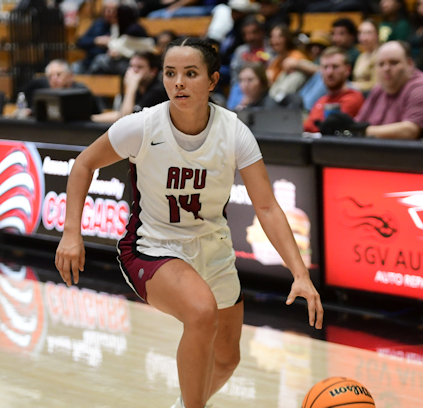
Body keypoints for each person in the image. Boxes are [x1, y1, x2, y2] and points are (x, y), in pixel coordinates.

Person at [55, 38, 323, 408]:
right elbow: (84, 163)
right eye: (170, 73)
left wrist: (300, 273)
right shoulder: (142, 126)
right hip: (152, 248)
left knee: (228, 360)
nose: (178, 82)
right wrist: (72, 232)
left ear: (212, 81)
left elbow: (268, 207)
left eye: (190, 73)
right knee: (200, 312)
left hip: (213, 248)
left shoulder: (233, 131)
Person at [352, 41, 423, 139]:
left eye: (394, 63)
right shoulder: (379, 89)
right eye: (381, 64)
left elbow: (409, 132)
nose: (386, 69)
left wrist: (360, 130)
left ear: (409, 64)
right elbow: (359, 122)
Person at [92, 52, 169, 123]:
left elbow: (126, 119)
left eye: (139, 67)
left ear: (153, 71)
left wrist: (131, 87)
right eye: (131, 66)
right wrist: (93, 118)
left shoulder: (158, 91)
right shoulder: (140, 89)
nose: (133, 71)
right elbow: (122, 113)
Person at [304, 47, 364, 133]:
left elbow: (329, 128)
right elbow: (307, 126)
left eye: (335, 67)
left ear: (347, 70)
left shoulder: (353, 98)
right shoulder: (321, 100)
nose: (329, 72)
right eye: (325, 67)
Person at [88, 5, 155, 76]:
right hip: (123, 60)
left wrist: (114, 48)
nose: (114, 18)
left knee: (100, 60)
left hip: (133, 63)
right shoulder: (120, 27)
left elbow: (129, 47)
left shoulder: (135, 30)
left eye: (116, 16)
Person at [266, 24, 309, 104]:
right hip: (273, 94)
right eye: (272, 37)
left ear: (287, 38)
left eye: (279, 37)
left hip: (294, 98)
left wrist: (296, 64)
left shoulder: (296, 55)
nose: (275, 41)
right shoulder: (276, 60)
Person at [73, 0, 119, 74]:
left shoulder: (121, 26)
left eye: (113, 10)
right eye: (107, 10)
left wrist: (110, 44)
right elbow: (80, 42)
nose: (109, 13)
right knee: (74, 68)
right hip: (89, 61)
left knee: (100, 61)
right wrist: (96, 40)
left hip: (107, 64)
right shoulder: (98, 24)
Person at [353, 20, 381, 92]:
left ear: (377, 35)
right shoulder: (361, 57)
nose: (363, 37)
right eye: (361, 33)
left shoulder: (381, 56)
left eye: (368, 33)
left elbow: (376, 85)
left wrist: (353, 86)